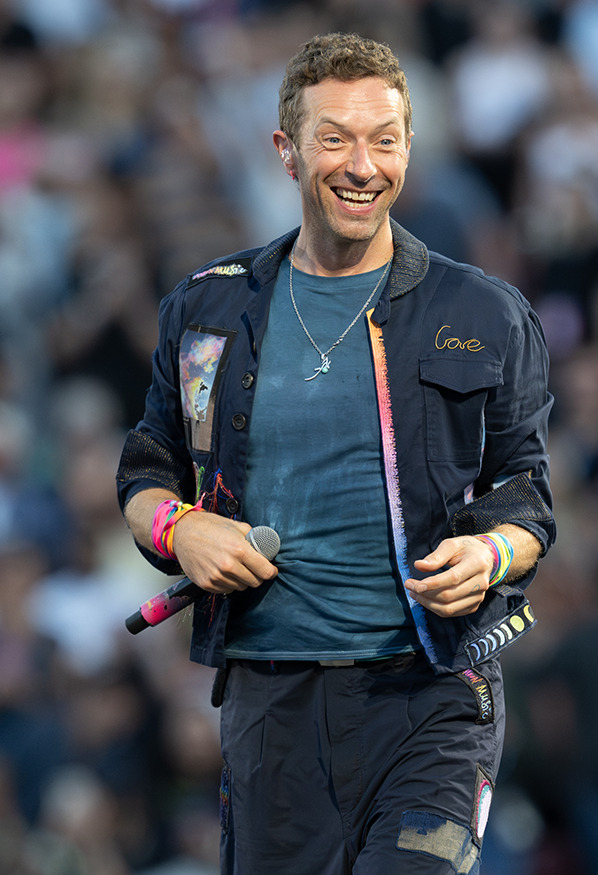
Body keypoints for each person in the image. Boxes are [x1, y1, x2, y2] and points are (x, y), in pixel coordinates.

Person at [116, 32, 555, 875]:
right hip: (270, 703)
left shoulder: (489, 311)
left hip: (432, 696)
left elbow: (527, 493)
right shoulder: (208, 309)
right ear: (286, 150)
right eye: (335, 139)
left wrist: (492, 550)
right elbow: (147, 468)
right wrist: (180, 531)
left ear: (409, 147)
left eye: (385, 139)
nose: (364, 165)